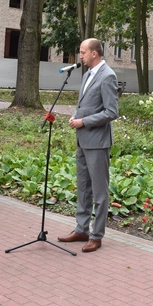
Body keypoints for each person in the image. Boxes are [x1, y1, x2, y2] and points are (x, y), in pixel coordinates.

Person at [58, 38, 119, 253]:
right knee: (83, 187)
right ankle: (81, 229)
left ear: (94, 53)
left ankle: (96, 235)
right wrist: (76, 115)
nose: (80, 56)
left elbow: (111, 112)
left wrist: (83, 121)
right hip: (82, 140)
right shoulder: (86, 76)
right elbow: (85, 104)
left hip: (98, 142)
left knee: (99, 191)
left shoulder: (108, 76)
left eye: (83, 52)